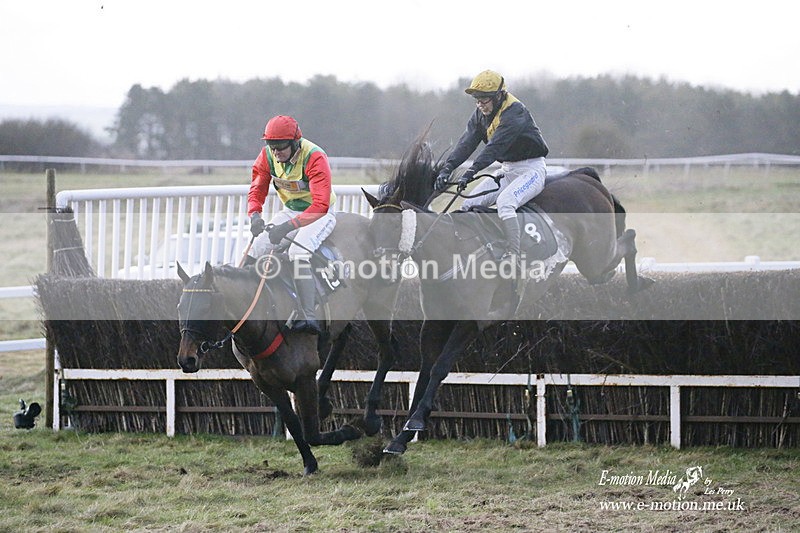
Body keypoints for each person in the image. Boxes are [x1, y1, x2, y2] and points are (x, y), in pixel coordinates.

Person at [434, 70, 549, 260]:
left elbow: (494, 148)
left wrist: (471, 172)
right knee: (469, 204)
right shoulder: (481, 113)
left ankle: (514, 254)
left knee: (505, 203)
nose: (479, 104)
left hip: (532, 170)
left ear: (499, 96)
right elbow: (467, 143)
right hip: (507, 170)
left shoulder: (515, 112)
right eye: (477, 99)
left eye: (484, 99)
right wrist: (447, 168)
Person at [247, 115, 336, 334]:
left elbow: (320, 205)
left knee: (298, 251)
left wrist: (288, 228)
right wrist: (255, 215)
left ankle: (309, 317)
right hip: (290, 211)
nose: (276, 153)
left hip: (319, 213)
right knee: (258, 247)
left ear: (295, 143)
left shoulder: (315, 157)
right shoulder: (268, 155)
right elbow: (257, 188)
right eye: (271, 147)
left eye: (280, 148)